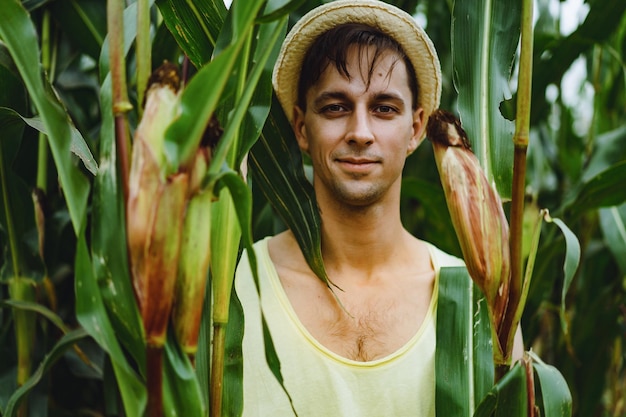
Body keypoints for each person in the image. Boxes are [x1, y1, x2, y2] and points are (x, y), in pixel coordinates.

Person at [234, 1, 523, 415]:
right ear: (300, 127)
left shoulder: (480, 303)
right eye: (335, 107)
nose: (360, 133)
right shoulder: (234, 291)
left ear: (417, 128)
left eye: (384, 108)